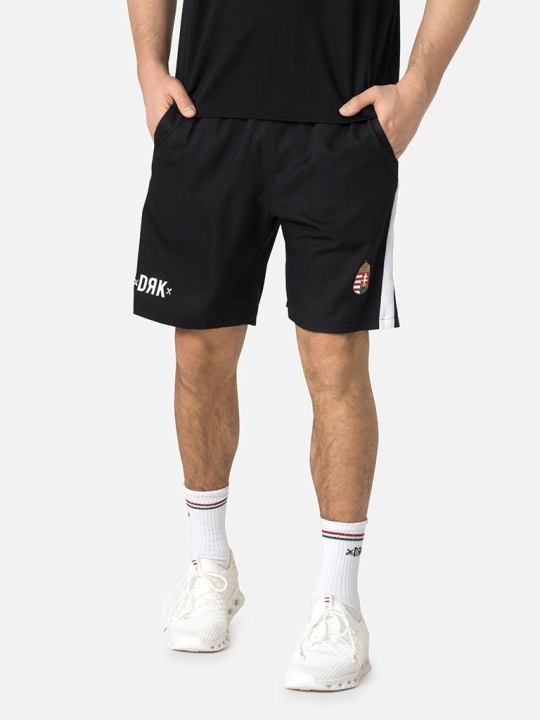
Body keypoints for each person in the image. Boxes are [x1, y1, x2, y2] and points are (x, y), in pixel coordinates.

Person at [127, 0, 480, 691]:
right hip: (206, 113)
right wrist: (148, 65)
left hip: (340, 123)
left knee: (334, 361)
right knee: (198, 352)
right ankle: (209, 566)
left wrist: (417, 88)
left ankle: (339, 603)